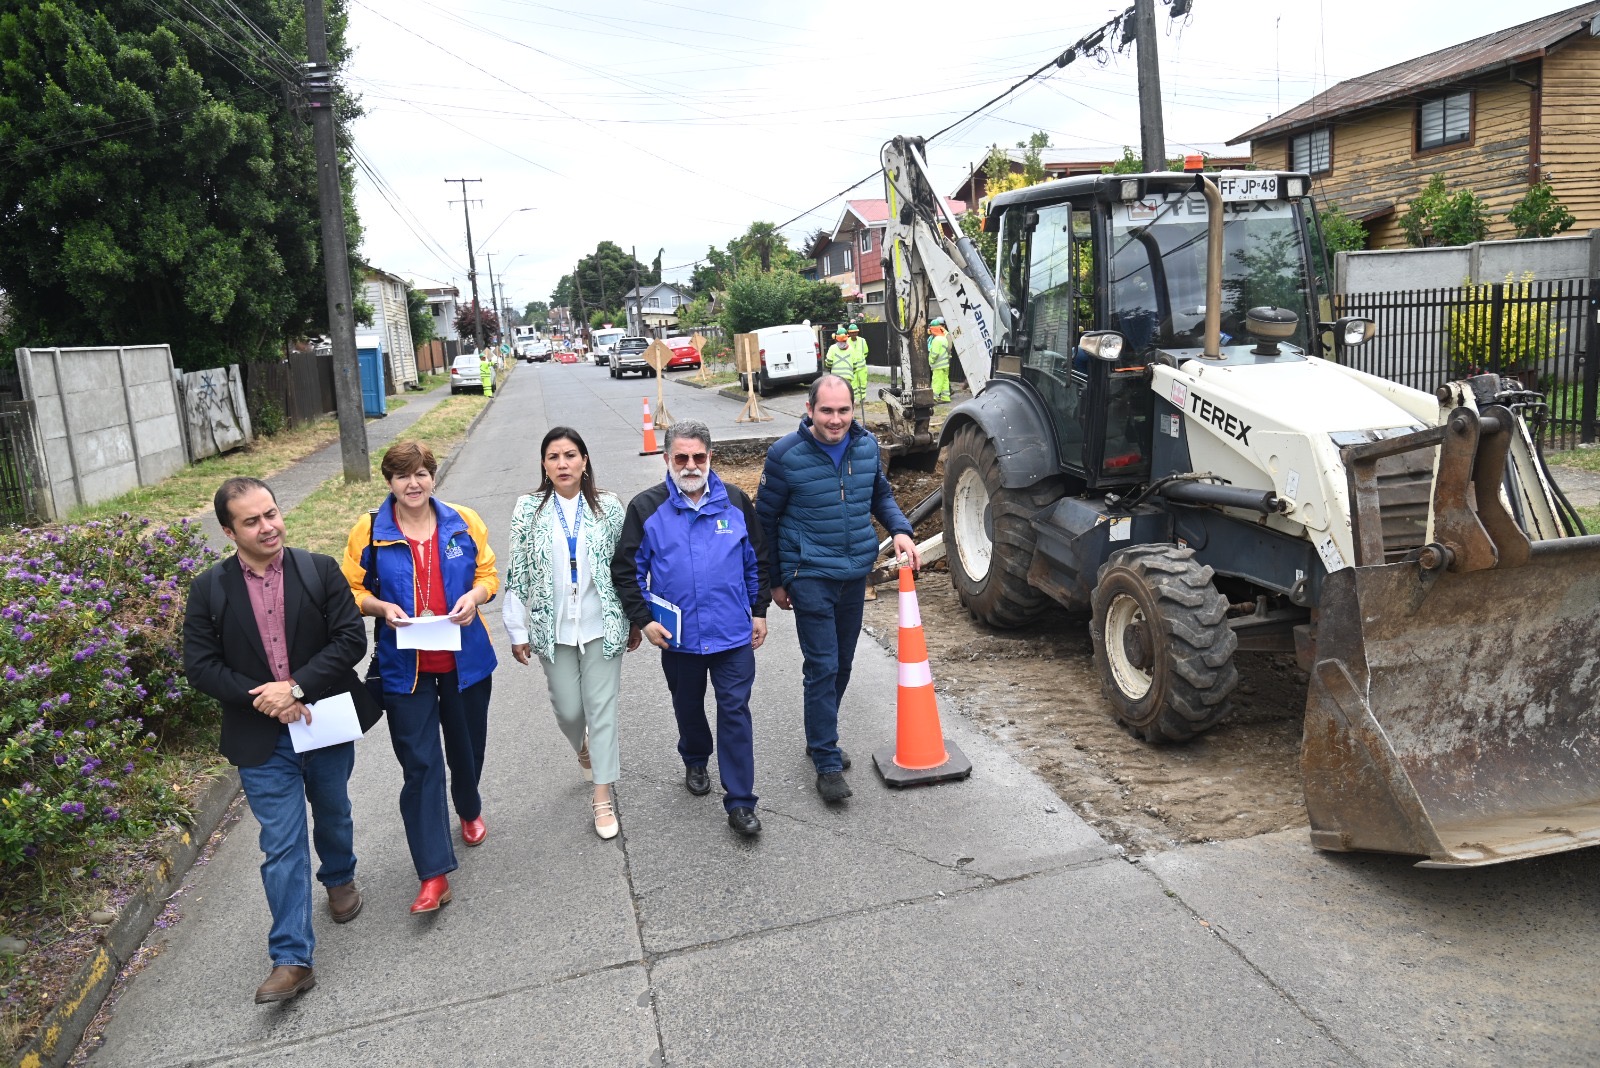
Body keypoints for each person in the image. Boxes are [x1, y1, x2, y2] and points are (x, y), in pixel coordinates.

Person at [183, 477, 380, 1005]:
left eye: (271, 513)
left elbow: (350, 639)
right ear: (229, 531)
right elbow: (200, 667)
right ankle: (292, 958)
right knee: (281, 843)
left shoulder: (318, 570)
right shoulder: (210, 590)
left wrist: (295, 688)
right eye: (252, 521)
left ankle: (339, 875)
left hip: (323, 722)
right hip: (260, 739)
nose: (268, 526)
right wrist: (266, 698)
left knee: (334, 809)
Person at [342, 441, 499, 915]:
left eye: (422, 474)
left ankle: (468, 806)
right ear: (389, 482)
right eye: (402, 476)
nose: (414, 483)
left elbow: (488, 574)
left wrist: (475, 597)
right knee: (421, 766)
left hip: (465, 661)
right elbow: (349, 588)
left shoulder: (463, 521)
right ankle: (432, 875)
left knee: (467, 749)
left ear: (433, 477)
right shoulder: (369, 531)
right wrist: (378, 606)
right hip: (404, 670)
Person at [755, 375, 919, 804]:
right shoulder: (785, 456)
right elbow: (764, 524)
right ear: (809, 410)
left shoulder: (866, 448)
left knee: (843, 664)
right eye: (826, 411)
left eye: (843, 410)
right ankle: (826, 761)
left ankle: (817, 736)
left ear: (853, 410)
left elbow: (879, 495)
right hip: (808, 574)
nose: (836, 420)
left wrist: (900, 530)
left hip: (853, 574)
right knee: (823, 666)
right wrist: (774, 581)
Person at [611, 420, 770, 837]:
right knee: (688, 706)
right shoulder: (646, 508)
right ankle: (695, 757)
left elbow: (757, 560)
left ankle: (740, 803)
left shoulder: (736, 502)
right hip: (678, 640)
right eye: (680, 457)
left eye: (699, 456)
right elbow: (626, 571)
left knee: (734, 711)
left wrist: (759, 610)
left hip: (733, 635)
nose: (690, 465)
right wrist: (644, 621)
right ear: (666, 459)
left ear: (710, 457)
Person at [503, 427, 637, 840]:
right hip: (553, 626)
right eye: (554, 457)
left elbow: (626, 567)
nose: (563, 464)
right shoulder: (528, 508)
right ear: (544, 465)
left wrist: (635, 617)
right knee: (568, 710)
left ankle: (601, 796)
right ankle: (581, 745)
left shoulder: (610, 507)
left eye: (571, 455)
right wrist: (515, 626)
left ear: (584, 461)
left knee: (602, 711)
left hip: (602, 623)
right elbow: (518, 568)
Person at [845, 322, 870, 405]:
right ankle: (855, 399)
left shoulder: (862, 341)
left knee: (862, 383)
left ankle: (862, 398)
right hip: (852, 368)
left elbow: (866, 352)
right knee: (853, 385)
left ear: (857, 332)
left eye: (854, 332)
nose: (853, 334)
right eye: (851, 333)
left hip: (862, 368)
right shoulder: (846, 342)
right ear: (849, 333)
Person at [928, 317, 952, 402]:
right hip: (945, 365)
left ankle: (934, 398)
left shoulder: (936, 340)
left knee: (936, 382)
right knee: (945, 381)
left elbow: (934, 354)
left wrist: (931, 361)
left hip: (938, 365)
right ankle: (946, 397)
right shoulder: (943, 338)